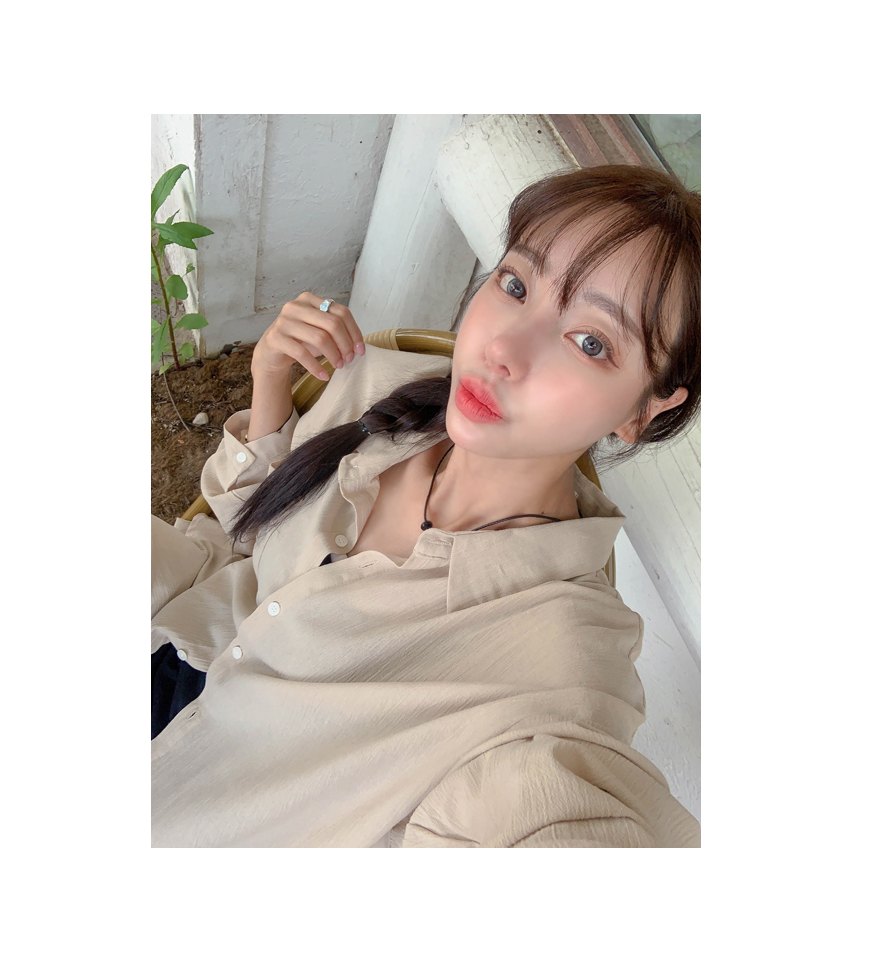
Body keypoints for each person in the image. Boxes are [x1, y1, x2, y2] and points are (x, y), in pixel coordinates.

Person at [151, 164, 701, 848]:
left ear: (645, 409)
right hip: (177, 632)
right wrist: (269, 380)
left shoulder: (566, 667)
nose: (502, 349)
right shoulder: (383, 383)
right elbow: (242, 526)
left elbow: (550, 809)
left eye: (591, 342)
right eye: (516, 284)